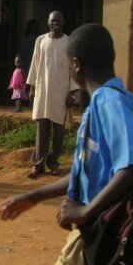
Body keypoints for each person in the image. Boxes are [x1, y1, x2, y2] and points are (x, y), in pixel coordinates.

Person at [0, 23, 133, 265]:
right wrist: (33, 196)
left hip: (99, 239)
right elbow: (87, 172)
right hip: (123, 244)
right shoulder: (118, 101)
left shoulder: (109, 103)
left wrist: (84, 212)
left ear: (75, 65)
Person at [26, 11, 78, 178]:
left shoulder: (69, 42)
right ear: (48, 22)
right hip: (43, 91)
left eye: (58, 21)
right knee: (41, 128)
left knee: (58, 130)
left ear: (63, 23)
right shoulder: (40, 40)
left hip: (61, 92)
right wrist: (32, 88)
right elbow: (35, 64)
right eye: (52, 21)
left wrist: (72, 93)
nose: (55, 23)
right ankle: (38, 164)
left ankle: (53, 162)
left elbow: (74, 69)